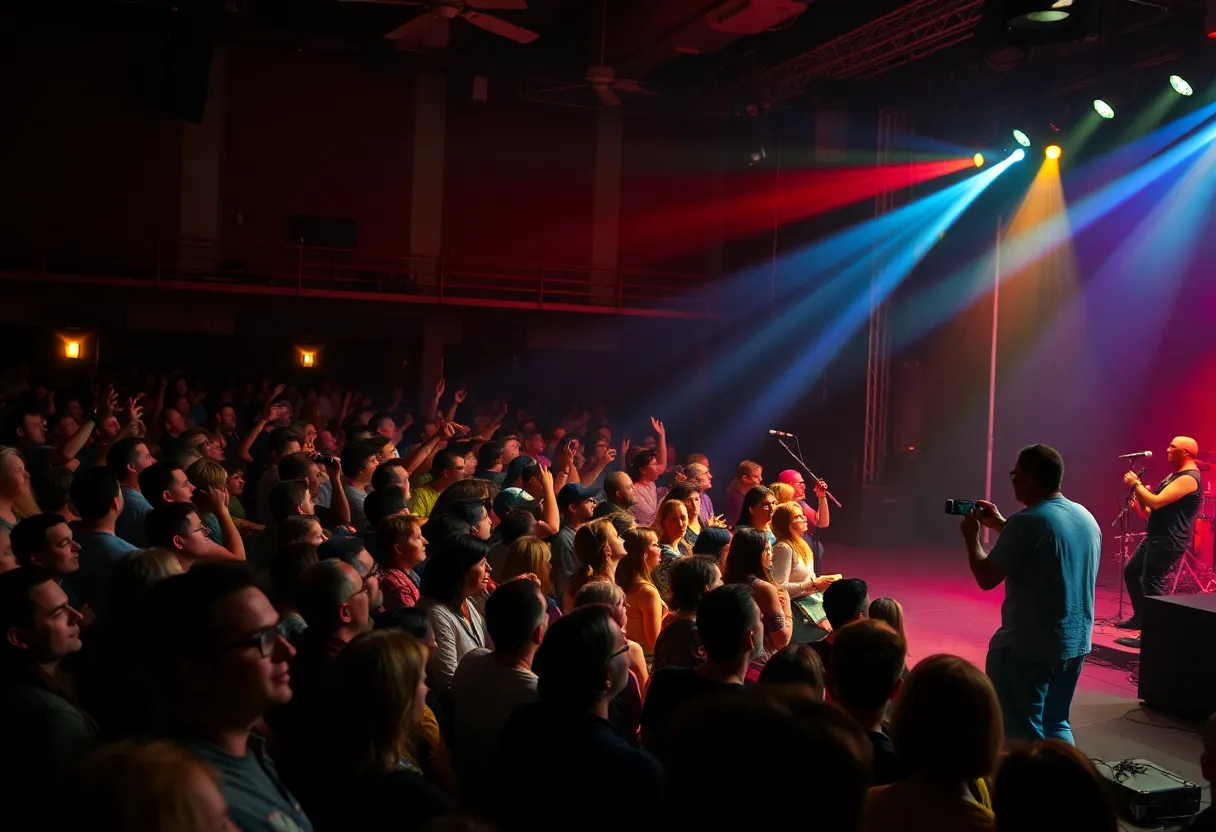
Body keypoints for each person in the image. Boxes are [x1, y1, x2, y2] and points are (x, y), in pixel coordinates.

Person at [962, 444, 1100, 745]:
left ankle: (1029, 789)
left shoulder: (1027, 522)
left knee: (1020, 734)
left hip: (1028, 648)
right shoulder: (1085, 517)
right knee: (1056, 723)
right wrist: (999, 523)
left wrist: (972, 537)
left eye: (1016, 472)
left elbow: (987, 577)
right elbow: (1041, 546)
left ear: (1030, 478)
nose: (1011, 477)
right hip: (1074, 644)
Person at [1118, 436, 1203, 645]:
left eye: (1172, 447)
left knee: (1152, 583)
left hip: (1169, 540)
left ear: (1185, 452)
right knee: (1132, 572)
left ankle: (1151, 635)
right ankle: (1140, 619)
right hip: (1156, 536)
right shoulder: (1174, 476)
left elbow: (1156, 503)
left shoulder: (1189, 478)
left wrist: (1136, 484)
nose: (1167, 449)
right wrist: (1139, 498)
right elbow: (1150, 512)